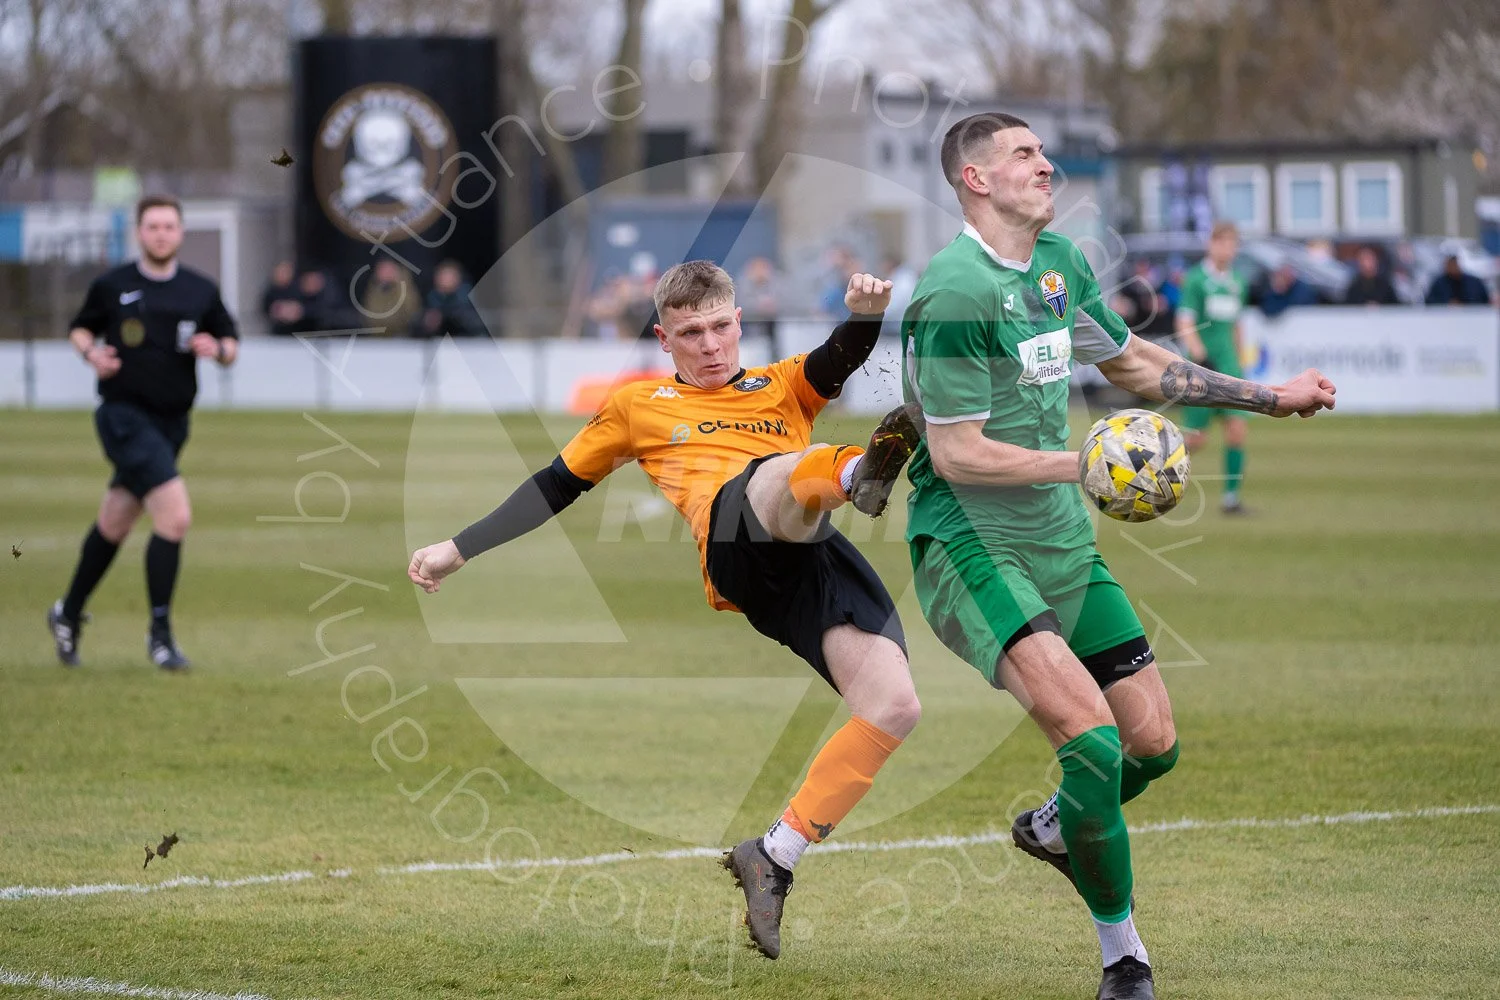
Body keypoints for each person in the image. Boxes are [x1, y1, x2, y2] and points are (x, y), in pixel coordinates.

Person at [900, 113, 1336, 1000]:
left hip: (1060, 539)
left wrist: (1269, 397)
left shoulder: (1059, 263)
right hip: (972, 543)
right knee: (1094, 744)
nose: (1045, 165)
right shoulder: (953, 291)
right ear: (976, 179)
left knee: (1153, 744)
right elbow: (956, 454)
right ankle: (1124, 959)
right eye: (1024, 154)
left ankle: (1059, 830)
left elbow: (1133, 363)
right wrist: (1089, 463)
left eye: (1042, 152)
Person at [408, 261, 925, 962]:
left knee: (894, 707)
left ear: (739, 322)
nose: (709, 345)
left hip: (813, 553)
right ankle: (858, 471)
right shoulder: (637, 406)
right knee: (771, 474)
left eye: (719, 327)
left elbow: (839, 357)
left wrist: (866, 315)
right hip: (736, 540)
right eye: (690, 333)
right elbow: (555, 485)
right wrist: (458, 548)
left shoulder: (780, 385)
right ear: (663, 338)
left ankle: (775, 853)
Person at [48, 194, 240, 670]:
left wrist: (216, 349)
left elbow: (231, 344)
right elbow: (80, 329)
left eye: (169, 226)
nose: (160, 234)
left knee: (115, 522)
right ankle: (161, 637)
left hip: (173, 424)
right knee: (175, 517)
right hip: (123, 416)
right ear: (139, 232)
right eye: (152, 226)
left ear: (180, 233)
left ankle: (67, 613)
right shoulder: (112, 285)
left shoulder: (199, 289)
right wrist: (91, 354)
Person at [1177, 222, 1254, 513]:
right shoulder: (1196, 280)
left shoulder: (1238, 282)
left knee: (1237, 429)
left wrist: (1240, 362)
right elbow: (1184, 322)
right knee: (1196, 438)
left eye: (1233, 244)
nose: (1228, 250)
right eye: (1223, 243)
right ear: (1212, 244)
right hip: (1202, 370)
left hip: (1230, 368)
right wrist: (1200, 355)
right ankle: (1153, 473)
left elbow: (1236, 326)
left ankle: (1231, 499)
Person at [419, 260, 486, 337]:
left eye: (447, 277)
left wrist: (443, 316)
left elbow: (471, 322)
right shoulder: (431, 296)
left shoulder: (466, 296)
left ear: (457, 278)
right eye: (441, 276)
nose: (444, 280)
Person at [356, 258, 421, 336]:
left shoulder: (405, 287)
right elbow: (370, 315)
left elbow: (410, 310)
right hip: (376, 336)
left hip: (401, 335)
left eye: (388, 270)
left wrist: (401, 282)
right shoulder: (374, 289)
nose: (385, 273)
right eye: (381, 270)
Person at [1424, 254, 1491, 305]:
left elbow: (1485, 300)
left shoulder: (1474, 282)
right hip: (1445, 316)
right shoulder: (1438, 283)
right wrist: (1447, 303)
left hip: (1473, 315)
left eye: (1454, 264)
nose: (1452, 267)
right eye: (1450, 265)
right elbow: (1429, 301)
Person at [261, 260, 302, 337]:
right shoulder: (271, 291)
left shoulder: (298, 290)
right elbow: (265, 308)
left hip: (297, 332)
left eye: (285, 272)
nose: (282, 275)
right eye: (280, 272)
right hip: (277, 331)